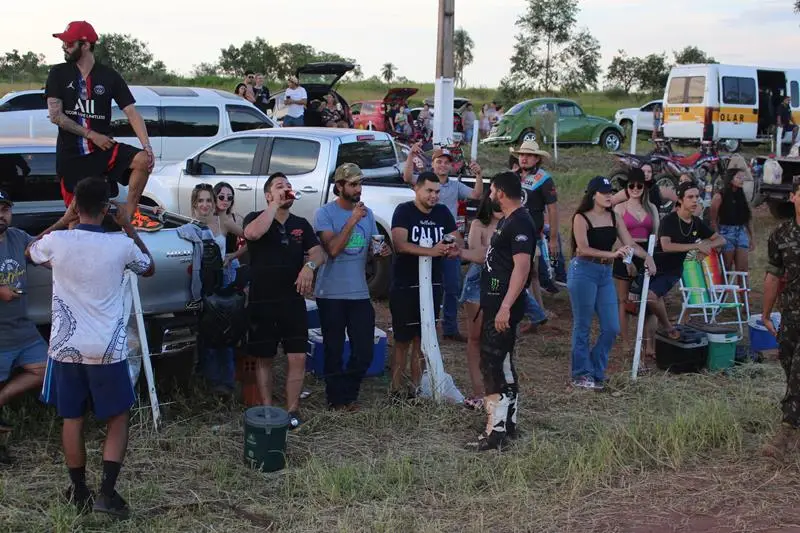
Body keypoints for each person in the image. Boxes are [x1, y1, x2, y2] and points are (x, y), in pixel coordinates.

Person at [29, 177, 155, 518]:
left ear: (75, 206)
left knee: (72, 418)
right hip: (107, 347)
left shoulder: (58, 240)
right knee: (117, 417)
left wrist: (60, 220)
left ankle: (79, 489)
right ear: (106, 208)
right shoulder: (120, 244)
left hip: (65, 347)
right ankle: (107, 493)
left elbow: (31, 251)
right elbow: (149, 267)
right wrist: (129, 227)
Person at [46, 21, 157, 228]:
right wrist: (91, 134)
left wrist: (147, 146)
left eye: (69, 43)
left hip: (101, 150)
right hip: (72, 156)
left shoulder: (109, 76)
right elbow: (56, 116)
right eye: (64, 43)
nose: (64, 47)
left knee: (144, 160)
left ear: (85, 45)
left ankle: (129, 217)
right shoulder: (58, 73)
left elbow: (131, 112)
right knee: (77, 220)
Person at [457, 172, 536, 451]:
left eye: (492, 191)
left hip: (504, 305)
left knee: (492, 363)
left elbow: (522, 267)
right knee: (502, 363)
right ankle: (507, 424)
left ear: (500, 192)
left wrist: (505, 306)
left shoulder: (520, 222)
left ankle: (495, 431)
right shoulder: (508, 221)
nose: (490, 196)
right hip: (494, 301)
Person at [243, 173, 325, 428]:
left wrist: (309, 266)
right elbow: (252, 234)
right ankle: (268, 410)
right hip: (262, 300)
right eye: (280, 186)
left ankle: (292, 411)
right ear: (268, 195)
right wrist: (273, 206)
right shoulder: (256, 217)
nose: (287, 189)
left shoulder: (301, 223)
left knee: (297, 356)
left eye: (288, 186)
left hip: (292, 299)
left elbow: (318, 251)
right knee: (265, 357)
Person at [314, 163, 391, 410]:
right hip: (331, 292)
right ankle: (336, 401)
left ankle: (348, 393)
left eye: (360, 183)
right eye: (353, 184)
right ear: (339, 186)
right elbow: (333, 250)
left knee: (365, 349)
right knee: (333, 348)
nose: (359, 189)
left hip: (358, 292)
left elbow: (373, 251)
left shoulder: (367, 215)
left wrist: (382, 253)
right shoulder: (325, 214)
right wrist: (352, 220)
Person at [568, 176, 656, 391]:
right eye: (604, 192)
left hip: (604, 273)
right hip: (584, 271)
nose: (609, 196)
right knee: (583, 325)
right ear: (592, 194)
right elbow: (582, 248)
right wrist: (613, 254)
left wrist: (647, 257)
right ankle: (581, 373)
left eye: (610, 192)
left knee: (611, 327)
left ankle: (596, 371)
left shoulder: (615, 216)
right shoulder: (581, 217)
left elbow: (630, 243)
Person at [389, 171, 459, 398]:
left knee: (424, 337)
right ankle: (396, 389)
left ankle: (417, 388)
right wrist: (431, 251)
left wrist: (450, 246)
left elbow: (457, 238)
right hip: (405, 284)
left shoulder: (442, 212)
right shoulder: (404, 211)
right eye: (429, 190)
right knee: (402, 339)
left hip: (433, 285)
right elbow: (400, 243)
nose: (434, 196)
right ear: (417, 189)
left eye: (437, 192)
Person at [404, 146, 483, 342]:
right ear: (433, 163)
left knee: (452, 285)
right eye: (439, 161)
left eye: (446, 162)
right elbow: (407, 178)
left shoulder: (455, 186)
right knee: (425, 282)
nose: (443, 165)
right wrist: (410, 156)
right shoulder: (424, 181)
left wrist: (479, 175)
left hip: (448, 240)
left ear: (451, 166)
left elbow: (475, 195)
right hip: (425, 238)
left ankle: (449, 328)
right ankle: (425, 325)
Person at [645, 181, 725, 355]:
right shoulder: (669, 220)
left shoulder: (696, 222)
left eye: (697, 196)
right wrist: (696, 247)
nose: (695, 200)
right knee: (647, 307)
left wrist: (706, 245)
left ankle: (667, 327)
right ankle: (649, 348)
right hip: (654, 265)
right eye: (690, 197)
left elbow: (721, 240)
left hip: (672, 270)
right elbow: (666, 246)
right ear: (680, 200)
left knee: (651, 297)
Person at [0, 190, 48, 463]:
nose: (1, 215)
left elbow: (41, 244)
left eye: (5, 209)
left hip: (22, 329)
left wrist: (66, 220)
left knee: (45, 369)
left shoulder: (17, 237)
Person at [190, 183, 245, 394]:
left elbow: (251, 237)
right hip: (198, 284)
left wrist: (233, 256)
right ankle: (206, 381)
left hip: (221, 284)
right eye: (200, 201)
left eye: (208, 200)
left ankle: (225, 383)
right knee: (203, 334)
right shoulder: (189, 224)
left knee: (223, 332)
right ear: (194, 204)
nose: (205, 205)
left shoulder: (223, 221)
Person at [762, 179, 800, 459]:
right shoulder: (781, 235)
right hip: (791, 313)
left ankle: (786, 432)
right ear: (793, 197)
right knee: (788, 364)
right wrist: (765, 314)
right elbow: (773, 276)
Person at [459, 192, 501, 409]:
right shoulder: (478, 223)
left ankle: (496, 390)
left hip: (500, 282)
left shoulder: (513, 223)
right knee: (476, 337)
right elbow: (478, 255)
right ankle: (479, 392)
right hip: (479, 280)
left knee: (496, 337)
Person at [612, 168, 659, 353]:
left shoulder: (652, 208)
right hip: (625, 253)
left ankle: (649, 344)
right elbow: (617, 239)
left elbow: (656, 234)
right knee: (624, 301)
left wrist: (651, 258)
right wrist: (627, 260)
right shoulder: (619, 209)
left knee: (648, 300)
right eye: (631, 185)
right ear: (627, 187)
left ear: (645, 187)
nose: (635, 188)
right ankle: (625, 342)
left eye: (639, 185)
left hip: (646, 253)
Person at [512, 140, 561, 310]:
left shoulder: (544, 179)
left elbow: (553, 210)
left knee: (532, 273)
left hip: (533, 234)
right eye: (521, 155)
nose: (524, 158)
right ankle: (529, 310)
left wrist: (553, 238)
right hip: (511, 231)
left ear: (536, 159)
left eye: (528, 155)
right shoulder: (513, 176)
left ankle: (536, 311)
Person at [709, 169, 754, 274]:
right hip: (725, 233)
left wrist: (751, 237)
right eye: (739, 177)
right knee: (726, 267)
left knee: (743, 269)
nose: (742, 180)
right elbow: (713, 220)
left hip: (741, 231)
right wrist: (717, 238)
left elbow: (748, 218)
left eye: (743, 177)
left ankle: (744, 290)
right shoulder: (719, 196)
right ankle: (723, 290)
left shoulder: (742, 196)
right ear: (730, 179)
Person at [611, 162, 677, 212]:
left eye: (649, 172)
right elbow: (611, 201)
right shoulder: (631, 190)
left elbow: (679, 199)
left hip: (653, 224)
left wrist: (670, 218)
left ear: (652, 174)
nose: (646, 174)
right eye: (643, 171)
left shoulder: (657, 189)